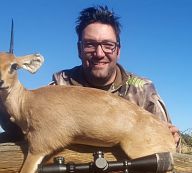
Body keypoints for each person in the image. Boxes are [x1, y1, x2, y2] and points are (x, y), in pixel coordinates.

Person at [51, 5, 180, 146]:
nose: (99, 54)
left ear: (118, 51)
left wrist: (173, 139)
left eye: (108, 45)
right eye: (90, 44)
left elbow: (169, 145)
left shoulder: (143, 91)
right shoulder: (59, 87)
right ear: (79, 50)